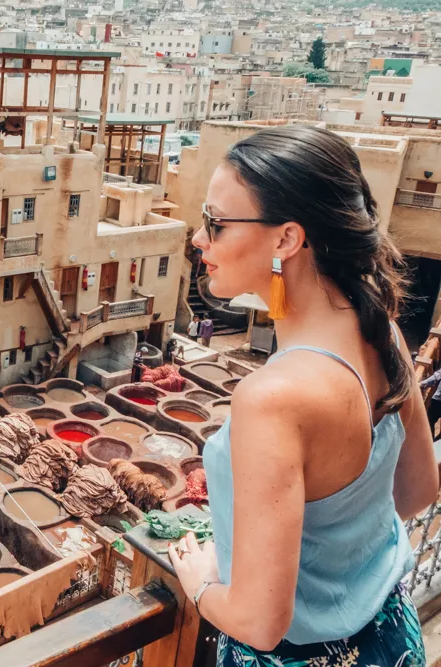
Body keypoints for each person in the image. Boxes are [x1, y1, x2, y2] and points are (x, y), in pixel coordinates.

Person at [168, 125, 436, 667]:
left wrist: (201, 583)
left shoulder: (274, 398)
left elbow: (261, 624)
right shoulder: (380, 331)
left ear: (286, 240)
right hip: (388, 638)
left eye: (215, 224)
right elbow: (418, 490)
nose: (199, 239)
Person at [420, 367, 441, 437]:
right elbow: (437, 376)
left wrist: (422, 384)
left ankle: (433, 443)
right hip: (437, 401)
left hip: (437, 401)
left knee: (429, 423)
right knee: (429, 423)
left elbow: (437, 376)